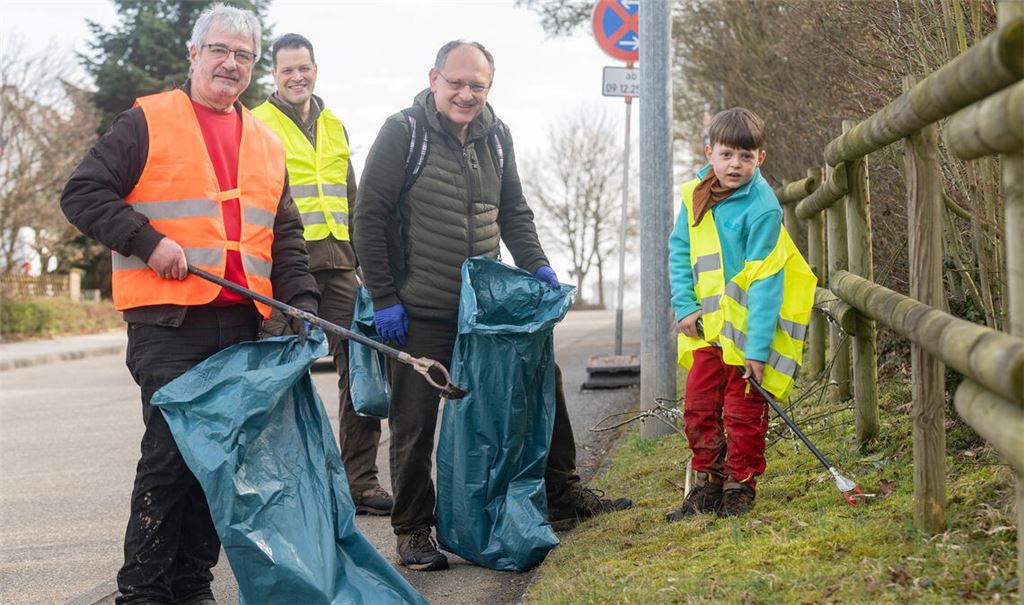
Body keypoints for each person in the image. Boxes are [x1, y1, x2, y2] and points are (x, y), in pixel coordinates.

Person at [60, 5, 319, 603]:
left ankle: (191, 584)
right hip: (168, 323)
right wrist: (148, 242)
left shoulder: (265, 139)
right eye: (220, 51)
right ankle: (143, 592)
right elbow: (82, 193)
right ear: (193, 54)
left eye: (243, 56)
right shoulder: (148, 120)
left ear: (254, 67)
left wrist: (300, 300)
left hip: (242, 321)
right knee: (172, 458)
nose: (230, 64)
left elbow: (285, 237)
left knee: (219, 464)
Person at [353, 39, 633, 572]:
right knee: (414, 422)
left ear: (489, 87)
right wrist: (386, 298)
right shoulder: (402, 132)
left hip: (483, 310)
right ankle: (413, 530)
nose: (465, 93)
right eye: (455, 82)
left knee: (539, 384)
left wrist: (539, 268)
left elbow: (513, 212)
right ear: (433, 78)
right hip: (417, 311)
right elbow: (368, 217)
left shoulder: (496, 136)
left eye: (476, 85)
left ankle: (562, 495)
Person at [252, 33, 392, 516]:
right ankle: (276, 490)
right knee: (278, 377)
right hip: (282, 269)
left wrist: (364, 266)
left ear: (315, 69)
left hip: (339, 267)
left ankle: (362, 483)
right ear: (274, 74)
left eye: (303, 67)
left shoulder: (334, 124)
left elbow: (353, 199)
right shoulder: (256, 124)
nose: (297, 76)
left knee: (361, 372)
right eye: (287, 69)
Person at [666, 108, 815, 520]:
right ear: (709, 152)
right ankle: (708, 483)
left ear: (760, 159)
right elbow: (680, 252)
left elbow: (767, 283)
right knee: (698, 407)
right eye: (728, 155)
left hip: (749, 333)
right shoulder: (694, 195)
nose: (735, 165)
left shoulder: (763, 209)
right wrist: (685, 304)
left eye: (746, 157)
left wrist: (758, 349)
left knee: (744, 411)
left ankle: (740, 486)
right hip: (707, 331)